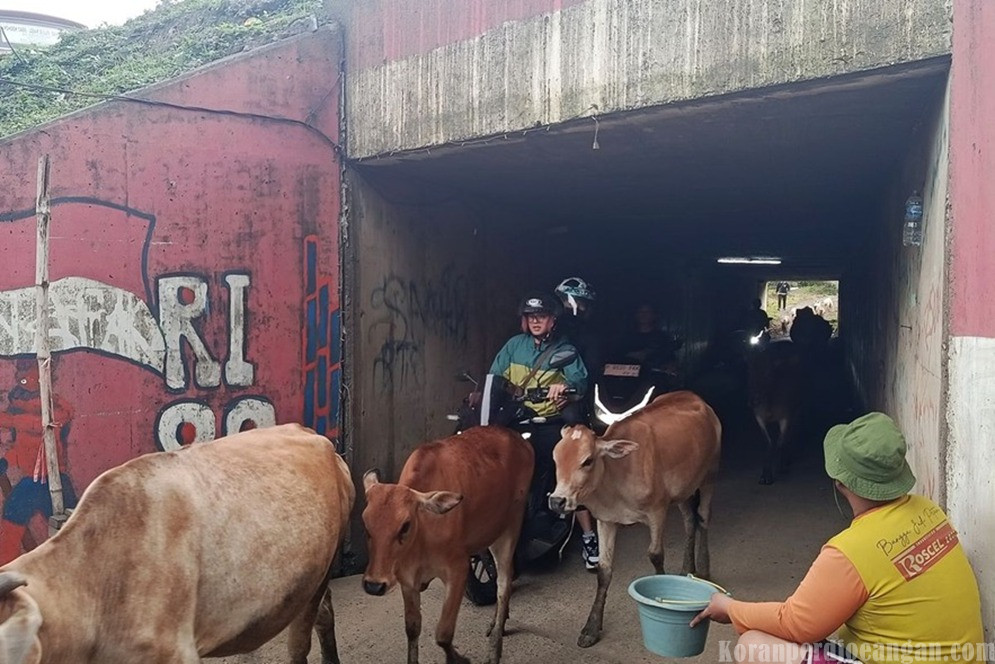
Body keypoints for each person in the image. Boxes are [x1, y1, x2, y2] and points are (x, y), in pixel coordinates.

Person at [691, 412, 987, 664]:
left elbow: (796, 623)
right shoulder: (929, 510)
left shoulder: (849, 551)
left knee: (753, 644)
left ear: (840, 482)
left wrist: (729, 608)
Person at [489, 291, 590, 561]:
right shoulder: (513, 345)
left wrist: (564, 387)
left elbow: (580, 382)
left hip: (548, 419)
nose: (536, 321)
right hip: (517, 416)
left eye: (542, 316)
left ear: (552, 320)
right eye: (531, 317)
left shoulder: (564, 349)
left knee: (566, 472)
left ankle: (590, 539)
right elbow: (495, 377)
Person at [0, 359, 78, 565]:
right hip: (31, 482)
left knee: (73, 529)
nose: (19, 375)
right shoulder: (21, 406)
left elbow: (40, 425)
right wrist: (6, 462)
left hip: (54, 480)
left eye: (24, 370)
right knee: (11, 519)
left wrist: (10, 419)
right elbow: (23, 448)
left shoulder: (55, 408)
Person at [552, 277, 603, 571]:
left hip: (572, 401)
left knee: (578, 459)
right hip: (534, 402)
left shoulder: (586, 335)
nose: (580, 309)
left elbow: (588, 373)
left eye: (584, 304)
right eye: (578, 302)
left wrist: (570, 389)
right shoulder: (534, 334)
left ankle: (588, 535)